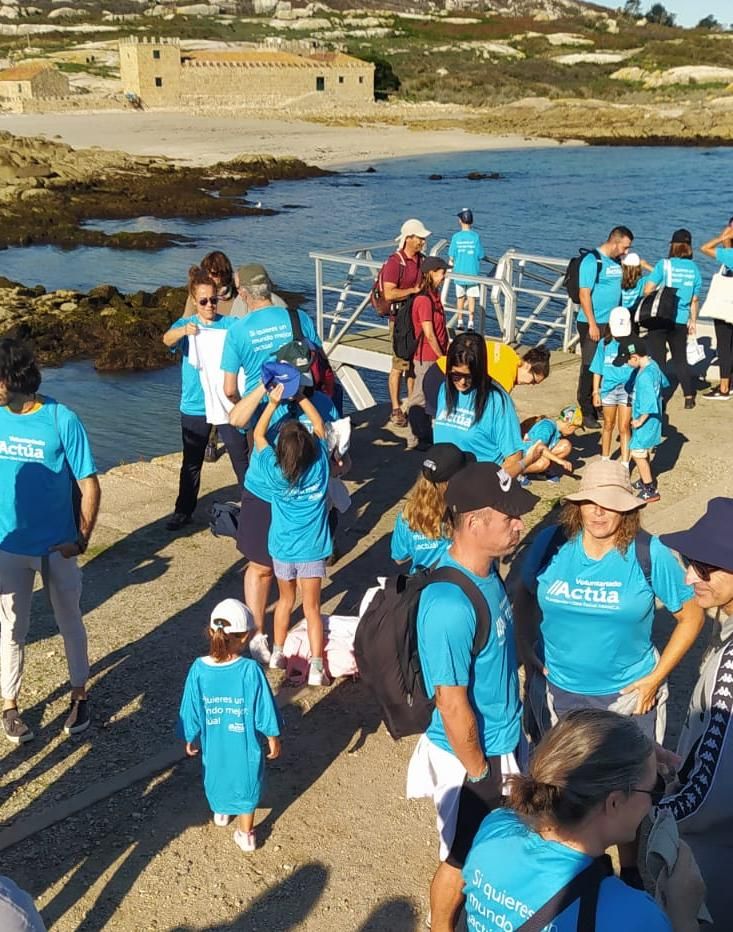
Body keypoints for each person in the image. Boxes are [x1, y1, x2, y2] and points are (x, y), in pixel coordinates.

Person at [405, 462, 538, 932]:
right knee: (461, 857)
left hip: (501, 741)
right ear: (475, 524)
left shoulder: (485, 570)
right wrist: (481, 771)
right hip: (471, 758)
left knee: (488, 847)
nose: (520, 524)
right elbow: (452, 701)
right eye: (510, 518)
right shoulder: (448, 605)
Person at [515, 460, 703, 747]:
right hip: (558, 693)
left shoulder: (648, 552)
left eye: (609, 503)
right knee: (559, 785)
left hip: (626, 698)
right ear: (578, 505)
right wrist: (526, 648)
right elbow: (525, 592)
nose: (598, 511)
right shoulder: (551, 543)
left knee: (629, 787)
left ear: (627, 508)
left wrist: (655, 678)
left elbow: (691, 616)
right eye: (590, 501)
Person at [462, 710, 673, 932]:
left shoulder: (495, 827)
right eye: (654, 790)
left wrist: (634, 754)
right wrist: (684, 913)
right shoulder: (637, 916)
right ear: (614, 803)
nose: (652, 803)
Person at [221, 263, 322, 666]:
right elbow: (316, 367)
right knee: (306, 537)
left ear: (243, 294)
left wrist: (261, 395)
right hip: (307, 446)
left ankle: (259, 634)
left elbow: (230, 391)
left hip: (268, 456)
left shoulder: (237, 331)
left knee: (259, 560)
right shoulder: (298, 317)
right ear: (271, 289)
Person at [0, 338, 100, 743]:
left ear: (13, 377)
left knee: (69, 621)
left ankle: (80, 695)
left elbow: (89, 484)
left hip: (58, 546)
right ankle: (9, 705)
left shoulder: (62, 419)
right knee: (10, 629)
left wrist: (81, 538)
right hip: (8, 547)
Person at [658, 497, 733, 927]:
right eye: (689, 562)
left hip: (717, 861)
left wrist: (650, 813)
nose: (689, 577)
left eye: (704, 568)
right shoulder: (721, 627)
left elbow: (709, 793)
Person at [178, 598, 281, 853]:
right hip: (244, 744)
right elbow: (264, 707)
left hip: (214, 742)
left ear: (211, 631)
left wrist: (189, 735)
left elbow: (189, 707)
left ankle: (221, 811)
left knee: (216, 774)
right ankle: (246, 834)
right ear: (245, 636)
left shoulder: (198, 669)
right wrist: (272, 735)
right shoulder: (250, 670)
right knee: (247, 783)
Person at [252, 382, 332, 687]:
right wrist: (300, 395)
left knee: (285, 601)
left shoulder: (274, 472)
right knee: (312, 609)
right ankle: (315, 665)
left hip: (282, 549)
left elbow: (258, 435)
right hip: (312, 548)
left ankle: (278, 652)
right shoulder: (320, 465)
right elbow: (321, 426)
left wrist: (272, 403)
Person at [162, 266, 249, 531]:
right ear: (194, 300)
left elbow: (251, 332)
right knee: (192, 460)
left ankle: (254, 506)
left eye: (213, 300)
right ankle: (183, 510)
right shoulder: (187, 326)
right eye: (203, 301)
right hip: (195, 404)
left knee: (240, 456)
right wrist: (183, 332)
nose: (209, 305)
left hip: (225, 402)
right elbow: (166, 339)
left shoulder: (231, 326)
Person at [431, 333, 536, 479]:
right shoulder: (445, 389)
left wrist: (487, 486)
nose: (462, 382)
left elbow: (514, 457)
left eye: (469, 376)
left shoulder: (497, 401)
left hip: (477, 484)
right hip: (442, 479)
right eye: (455, 375)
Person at [576, 226, 634, 429]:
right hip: (592, 322)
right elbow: (584, 294)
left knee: (607, 364)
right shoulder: (593, 261)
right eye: (625, 247)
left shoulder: (617, 262)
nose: (626, 252)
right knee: (590, 365)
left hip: (612, 322)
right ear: (616, 242)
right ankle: (586, 409)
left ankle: (599, 401)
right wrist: (592, 323)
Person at [391, 443, 473, 574]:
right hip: (466, 586)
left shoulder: (407, 515)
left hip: (426, 589)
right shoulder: (468, 511)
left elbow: (399, 558)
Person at [643, 229, 702, 410]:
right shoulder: (694, 269)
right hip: (680, 319)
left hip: (661, 317)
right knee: (680, 359)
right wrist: (693, 320)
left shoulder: (664, 265)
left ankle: (658, 397)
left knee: (658, 359)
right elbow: (694, 299)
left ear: (673, 246)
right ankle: (689, 395)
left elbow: (647, 289)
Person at [381, 218, 429, 427]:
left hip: (415, 318)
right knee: (399, 363)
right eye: (419, 238)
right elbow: (389, 293)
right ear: (408, 238)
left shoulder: (421, 260)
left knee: (413, 365)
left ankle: (412, 405)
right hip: (399, 319)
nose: (422, 242)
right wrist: (412, 291)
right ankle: (395, 408)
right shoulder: (395, 262)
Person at [405, 256, 450, 451]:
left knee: (430, 396)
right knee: (419, 397)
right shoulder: (423, 300)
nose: (444, 276)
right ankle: (414, 439)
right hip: (426, 356)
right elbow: (429, 333)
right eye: (441, 273)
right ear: (431, 273)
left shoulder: (434, 296)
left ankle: (425, 435)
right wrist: (442, 356)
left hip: (435, 355)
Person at [616, 337, 668, 504]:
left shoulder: (644, 376)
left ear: (635, 357)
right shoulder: (654, 366)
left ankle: (649, 488)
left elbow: (648, 402)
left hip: (645, 420)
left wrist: (640, 420)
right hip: (655, 419)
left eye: (627, 361)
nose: (627, 364)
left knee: (638, 452)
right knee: (643, 451)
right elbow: (664, 383)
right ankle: (644, 478)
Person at [590, 306, 635, 468]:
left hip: (628, 390)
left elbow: (639, 365)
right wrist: (596, 391)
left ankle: (624, 463)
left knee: (624, 426)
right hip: (608, 390)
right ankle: (605, 458)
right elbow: (597, 369)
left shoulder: (632, 344)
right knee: (608, 424)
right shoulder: (604, 344)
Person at [700, 219, 733, 400]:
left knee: (724, 345)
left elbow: (704, 248)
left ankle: (724, 388)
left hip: (725, 306)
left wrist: (722, 237)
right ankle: (730, 382)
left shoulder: (730, 256)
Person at [516, 408, 577, 486]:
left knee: (565, 445)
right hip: (524, 455)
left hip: (534, 453)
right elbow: (539, 447)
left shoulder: (556, 430)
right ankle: (516, 472)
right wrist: (560, 461)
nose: (573, 432)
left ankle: (542, 471)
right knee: (544, 463)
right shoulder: (547, 427)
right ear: (569, 426)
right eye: (575, 429)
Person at [448, 208, 485, 330]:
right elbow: (481, 255)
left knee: (460, 298)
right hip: (472, 273)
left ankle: (459, 321)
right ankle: (471, 322)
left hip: (459, 272)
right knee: (471, 299)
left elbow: (451, 255)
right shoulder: (476, 237)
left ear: (460, 221)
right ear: (472, 222)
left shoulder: (456, 237)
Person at [183, 251, 239, 317]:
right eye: (206, 272)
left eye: (213, 273)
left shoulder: (237, 296)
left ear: (224, 274)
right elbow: (186, 321)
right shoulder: (198, 294)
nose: (209, 276)